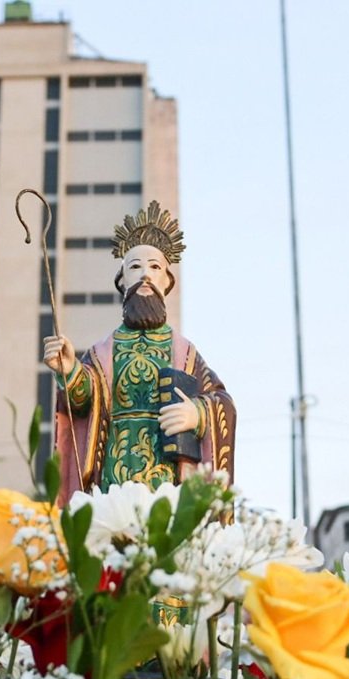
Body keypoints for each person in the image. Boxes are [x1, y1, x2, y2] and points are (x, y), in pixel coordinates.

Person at [42, 201, 236, 505]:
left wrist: (196, 415)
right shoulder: (102, 353)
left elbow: (222, 402)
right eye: (135, 266)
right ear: (122, 281)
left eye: (155, 267)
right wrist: (69, 371)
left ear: (167, 282)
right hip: (112, 480)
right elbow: (82, 401)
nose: (145, 274)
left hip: (169, 482)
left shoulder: (185, 353)